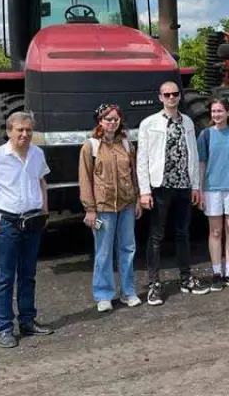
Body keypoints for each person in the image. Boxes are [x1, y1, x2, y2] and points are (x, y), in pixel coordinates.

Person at [0, 111, 53, 348]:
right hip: (8, 224)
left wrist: (44, 210)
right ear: (9, 131)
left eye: (28, 130)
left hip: (32, 222)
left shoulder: (37, 154)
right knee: (5, 279)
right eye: (20, 130)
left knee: (28, 275)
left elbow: (41, 182)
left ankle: (27, 322)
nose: (25, 134)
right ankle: (4, 328)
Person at [136, 81, 209, 307]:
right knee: (156, 236)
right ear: (160, 97)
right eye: (166, 94)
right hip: (160, 187)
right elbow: (142, 158)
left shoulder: (187, 121)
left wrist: (196, 186)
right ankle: (154, 284)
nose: (171, 98)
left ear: (179, 96)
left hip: (183, 186)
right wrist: (144, 191)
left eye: (174, 94)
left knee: (182, 233)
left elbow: (193, 155)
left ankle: (186, 278)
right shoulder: (149, 123)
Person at [78, 103, 144, 312]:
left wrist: (138, 199)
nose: (112, 123)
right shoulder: (91, 146)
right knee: (103, 252)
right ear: (100, 121)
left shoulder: (127, 145)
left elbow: (134, 174)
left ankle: (128, 292)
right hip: (103, 207)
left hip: (126, 205)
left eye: (116, 119)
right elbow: (85, 179)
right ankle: (104, 294)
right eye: (108, 119)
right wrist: (90, 208)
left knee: (128, 249)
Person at [197, 97, 229, 291]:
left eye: (220, 111)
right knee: (216, 231)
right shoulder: (205, 135)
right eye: (213, 111)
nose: (216, 114)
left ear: (228, 112)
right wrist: (200, 189)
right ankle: (217, 272)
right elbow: (201, 164)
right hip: (212, 189)